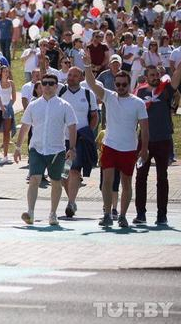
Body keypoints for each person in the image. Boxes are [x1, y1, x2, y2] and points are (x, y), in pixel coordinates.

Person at [82, 53, 149, 228]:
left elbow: (145, 128)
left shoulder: (138, 103)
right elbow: (91, 83)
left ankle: (123, 215)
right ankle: (107, 213)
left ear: (129, 85)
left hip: (129, 148)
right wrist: (88, 66)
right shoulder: (109, 96)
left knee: (126, 182)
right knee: (107, 181)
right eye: (117, 84)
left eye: (123, 85)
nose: (120, 87)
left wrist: (144, 149)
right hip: (110, 145)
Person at [14, 73, 77, 226]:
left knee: (56, 181)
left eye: (51, 83)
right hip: (37, 149)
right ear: (40, 86)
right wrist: (17, 147)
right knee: (34, 179)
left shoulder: (64, 106)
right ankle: (30, 212)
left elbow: (72, 127)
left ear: (56, 86)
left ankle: (53, 214)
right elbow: (25, 127)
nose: (47, 86)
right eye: (45, 83)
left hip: (57, 151)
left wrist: (72, 148)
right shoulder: (33, 105)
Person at [133, 64, 180, 226]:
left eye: (157, 74)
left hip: (163, 140)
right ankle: (140, 213)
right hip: (144, 141)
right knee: (140, 178)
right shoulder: (139, 91)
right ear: (146, 77)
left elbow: (177, 75)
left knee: (162, 178)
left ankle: (162, 214)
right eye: (152, 75)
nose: (155, 77)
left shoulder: (165, 89)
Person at [58, 67, 99, 218]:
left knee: (74, 170)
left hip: (80, 139)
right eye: (69, 75)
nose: (71, 77)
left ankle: (70, 203)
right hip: (62, 140)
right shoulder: (61, 92)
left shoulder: (88, 94)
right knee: (63, 175)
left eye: (75, 75)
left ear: (81, 78)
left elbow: (94, 116)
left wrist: (88, 133)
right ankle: (72, 200)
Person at [0, 66, 16, 164]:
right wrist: (1, 107)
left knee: (6, 132)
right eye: (4, 71)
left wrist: (8, 107)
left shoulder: (11, 83)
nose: (6, 73)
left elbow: (13, 98)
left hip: (8, 109)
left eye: (7, 71)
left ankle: (5, 155)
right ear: (1, 72)